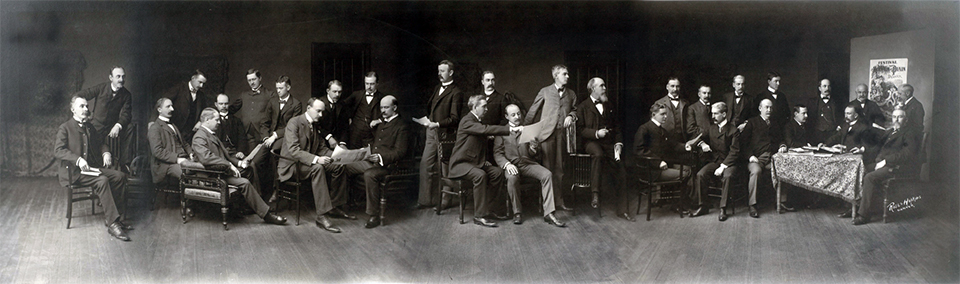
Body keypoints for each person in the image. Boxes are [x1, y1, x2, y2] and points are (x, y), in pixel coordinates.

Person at [192, 108, 287, 226]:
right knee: (244, 183)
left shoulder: (210, 134)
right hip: (213, 174)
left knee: (250, 168)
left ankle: (253, 206)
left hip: (221, 170)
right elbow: (206, 158)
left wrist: (239, 164)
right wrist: (229, 166)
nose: (219, 122)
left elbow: (225, 155)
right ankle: (266, 215)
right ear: (207, 120)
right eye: (216, 120)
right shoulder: (199, 137)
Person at [55, 96, 130, 241]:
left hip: (91, 169)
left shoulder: (89, 127)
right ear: (72, 110)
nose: (85, 109)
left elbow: (101, 143)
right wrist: (77, 159)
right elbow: (58, 150)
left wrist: (106, 152)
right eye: (81, 106)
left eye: (87, 106)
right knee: (102, 181)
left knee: (119, 176)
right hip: (75, 173)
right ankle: (112, 224)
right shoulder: (65, 128)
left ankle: (116, 218)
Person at [278, 98, 353, 233]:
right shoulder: (294, 123)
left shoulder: (315, 124)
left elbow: (321, 148)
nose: (321, 115)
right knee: (317, 168)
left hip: (306, 163)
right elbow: (294, 150)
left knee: (339, 165)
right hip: (292, 165)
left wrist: (337, 156)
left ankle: (334, 206)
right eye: (318, 111)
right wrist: (317, 159)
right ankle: (321, 215)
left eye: (322, 112)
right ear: (308, 108)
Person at [448, 95, 523, 227]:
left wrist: (483, 160)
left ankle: (489, 209)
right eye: (484, 106)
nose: (487, 109)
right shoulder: (467, 121)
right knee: (480, 175)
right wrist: (509, 129)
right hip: (460, 164)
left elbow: (478, 141)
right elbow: (484, 130)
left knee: (497, 173)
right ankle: (479, 216)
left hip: (474, 163)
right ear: (475, 107)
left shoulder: (477, 122)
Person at [342, 96, 409, 229]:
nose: (382, 110)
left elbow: (400, 152)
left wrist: (379, 157)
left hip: (389, 166)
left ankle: (374, 215)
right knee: (345, 166)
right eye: (381, 107)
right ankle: (345, 204)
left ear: (394, 108)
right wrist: (365, 152)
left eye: (386, 107)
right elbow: (377, 144)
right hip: (373, 162)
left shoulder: (401, 126)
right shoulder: (382, 123)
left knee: (370, 175)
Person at [494, 104, 566, 227]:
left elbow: (532, 154)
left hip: (527, 163)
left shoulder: (527, 129)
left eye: (518, 114)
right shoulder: (501, 132)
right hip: (511, 164)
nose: (517, 117)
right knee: (512, 178)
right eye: (513, 115)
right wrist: (507, 165)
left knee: (547, 174)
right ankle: (517, 212)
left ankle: (549, 213)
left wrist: (533, 148)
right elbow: (497, 153)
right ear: (506, 116)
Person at [848, 110, 920, 225]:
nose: (896, 120)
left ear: (905, 120)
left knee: (869, 177)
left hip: (896, 167)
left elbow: (907, 154)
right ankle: (856, 207)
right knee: (859, 170)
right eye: (894, 117)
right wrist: (862, 150)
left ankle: (864, 215)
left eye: (900, 117)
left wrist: (886, 161)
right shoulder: (890, 131)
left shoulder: (909, 133)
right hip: (882, 164)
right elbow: (877, 147)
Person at [523, 65, 578, 211]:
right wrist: (525, 130)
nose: (567, 76)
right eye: (564, 74)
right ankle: (547, 205)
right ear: (556, 76)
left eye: (567, 74)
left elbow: (575, 109)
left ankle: (559, 202)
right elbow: (533, 111)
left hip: (562, 136)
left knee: (560, 169)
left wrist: (571, 116)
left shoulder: (571, 94)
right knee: (547, 169)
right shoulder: (545, 91)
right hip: (546, 135)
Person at [575, 78, 630, 216]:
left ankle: (623, 210)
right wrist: (596, 133)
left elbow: (617, 127)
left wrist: (618, 144)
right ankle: (595, 194)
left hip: (609, 143)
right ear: (593, 89)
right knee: (598, 154)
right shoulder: (583, 107)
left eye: (604, 85)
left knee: (621, 169)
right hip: (590, 142)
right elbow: (580, 130)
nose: (605, 88)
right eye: (602, 86)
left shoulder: (609, 105)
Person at [634, 102, 696, 217]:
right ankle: (678, 204)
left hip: (662, 166)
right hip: (651, 170)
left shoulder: (662, 130)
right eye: (662, 114)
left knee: (689, 169)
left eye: (666, 114)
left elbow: (674, 144)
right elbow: (639, 151)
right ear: (653, 115)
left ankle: (683, 202)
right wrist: (658, 162)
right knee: (684, 174)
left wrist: (686, 146)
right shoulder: (645, 129)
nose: (665, 117)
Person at [417, 60, 464, 208]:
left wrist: (437, 124)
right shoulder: (437, 88)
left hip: (446, 134)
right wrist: (427, 120)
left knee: (445, 167)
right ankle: (425, 200)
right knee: (426, 164)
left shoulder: (456, 92)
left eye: (442, 71)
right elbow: (431, 107)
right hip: (432, 132)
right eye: (439, 71)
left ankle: (446, 200)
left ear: (451, 73)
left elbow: (455, 118)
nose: (439, 74)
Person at [72, 66, 132, 165]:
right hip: (96, 126)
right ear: (111, 78)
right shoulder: (101, 88)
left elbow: (127, 114)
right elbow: (79, 95)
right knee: (90, 142)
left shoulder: (126, 95)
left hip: (112, 127)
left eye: (123, 77)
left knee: (129, 128)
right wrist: (87, 113)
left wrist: (118, 125)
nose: (121, 80)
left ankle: (125, 164)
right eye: (118, 76)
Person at [691, 102, 740, 221]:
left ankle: (723, 208)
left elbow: (735, 152)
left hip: (730, 163)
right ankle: (703, 206)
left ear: (724, 114)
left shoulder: (733, 131)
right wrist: (702, 144)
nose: (713, 116)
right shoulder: (711, 128)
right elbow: (699, 138)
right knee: (701, 174)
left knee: (727, 176)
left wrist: (723, 167)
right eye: (712, 113)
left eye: (716, 114)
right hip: (715, 161)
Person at [737, 99, 778, 218]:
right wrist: (750, 156)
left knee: (780, 170)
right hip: (756, 159)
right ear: (760, 108)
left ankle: (780, 201)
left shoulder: (774, 123)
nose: (769, 110)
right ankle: (752, 205)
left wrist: (782, 145)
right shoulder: (752, 122)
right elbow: (743, 143)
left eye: (770, 107)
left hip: (771, 158)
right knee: (756, 171)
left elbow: (780, 139)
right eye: (766, 107)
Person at [342, 72, 386, 149]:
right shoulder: (357, 95)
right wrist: (348, 117)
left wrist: (379, 120)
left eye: (372, 84)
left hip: (371, 135)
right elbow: (342, 106)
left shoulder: (382, 98)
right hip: (355, 134)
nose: (369, 87)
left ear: (377, 83)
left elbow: (392, 113)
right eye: (367, 83)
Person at [162, 70, 208, 142]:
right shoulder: (179, 88)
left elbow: (204, 110)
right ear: (193, 78)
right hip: (176, 127)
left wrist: (200, 121)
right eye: (200, 82)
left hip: (191, 131)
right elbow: (162, 102)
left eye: (203, 83)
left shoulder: (201, 95)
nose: (201, 86)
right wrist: (152, 120)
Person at [754, 72, 790, 145]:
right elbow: (755, 113)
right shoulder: (761, 96)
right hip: (766, 131)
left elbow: (787, 113)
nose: (778, 83)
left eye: (779, 81)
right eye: (776, 81)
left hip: (781, 131)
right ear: (769, 82)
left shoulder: (782, 96)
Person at [269, 76, 303, 151]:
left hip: (285, 135)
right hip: (270, 134)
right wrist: (265, 137)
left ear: (288, 88)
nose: (278, 91)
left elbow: (292, 126)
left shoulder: (296, 104)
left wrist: (275, 136)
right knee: (258, 154)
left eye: (281, 88)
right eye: (277, 88)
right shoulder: (272, 101)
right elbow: (264, 121)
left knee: (273, 150)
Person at [214, 94, 251, 160]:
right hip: (218, 153)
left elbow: (242, 138)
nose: (223, 106)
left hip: (234, 152)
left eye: (226, 104)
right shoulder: (212, 120)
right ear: (216, 104)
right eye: (221, 104)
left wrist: (240, 151)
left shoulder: (236, 121)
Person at [653, 77, 688, 142]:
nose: (675, 89)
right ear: (667, 87)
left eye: (677, 86)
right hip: (665, 138)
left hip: (683, 138)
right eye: (672, 86)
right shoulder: (659, 103)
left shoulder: (686, 103)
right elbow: (654, 124)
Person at [318, 80, 347, 149]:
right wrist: (329, 137)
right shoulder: (319, 102)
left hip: (338, 142)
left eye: (339, 92)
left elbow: (345, 126)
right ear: (328, 91)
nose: (337, 94)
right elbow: (317, 124)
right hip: (321, 141)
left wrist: (343, 142)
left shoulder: (343, 104)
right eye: (334, 91)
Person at [812, 79, 842, 144]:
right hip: (817, 135)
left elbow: (842, 116)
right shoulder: (812, 102)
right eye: (824, 86)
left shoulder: (837, 102)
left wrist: (839, 127)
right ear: (820, 88)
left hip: (833, 134)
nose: (827, 88)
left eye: (829, 86)